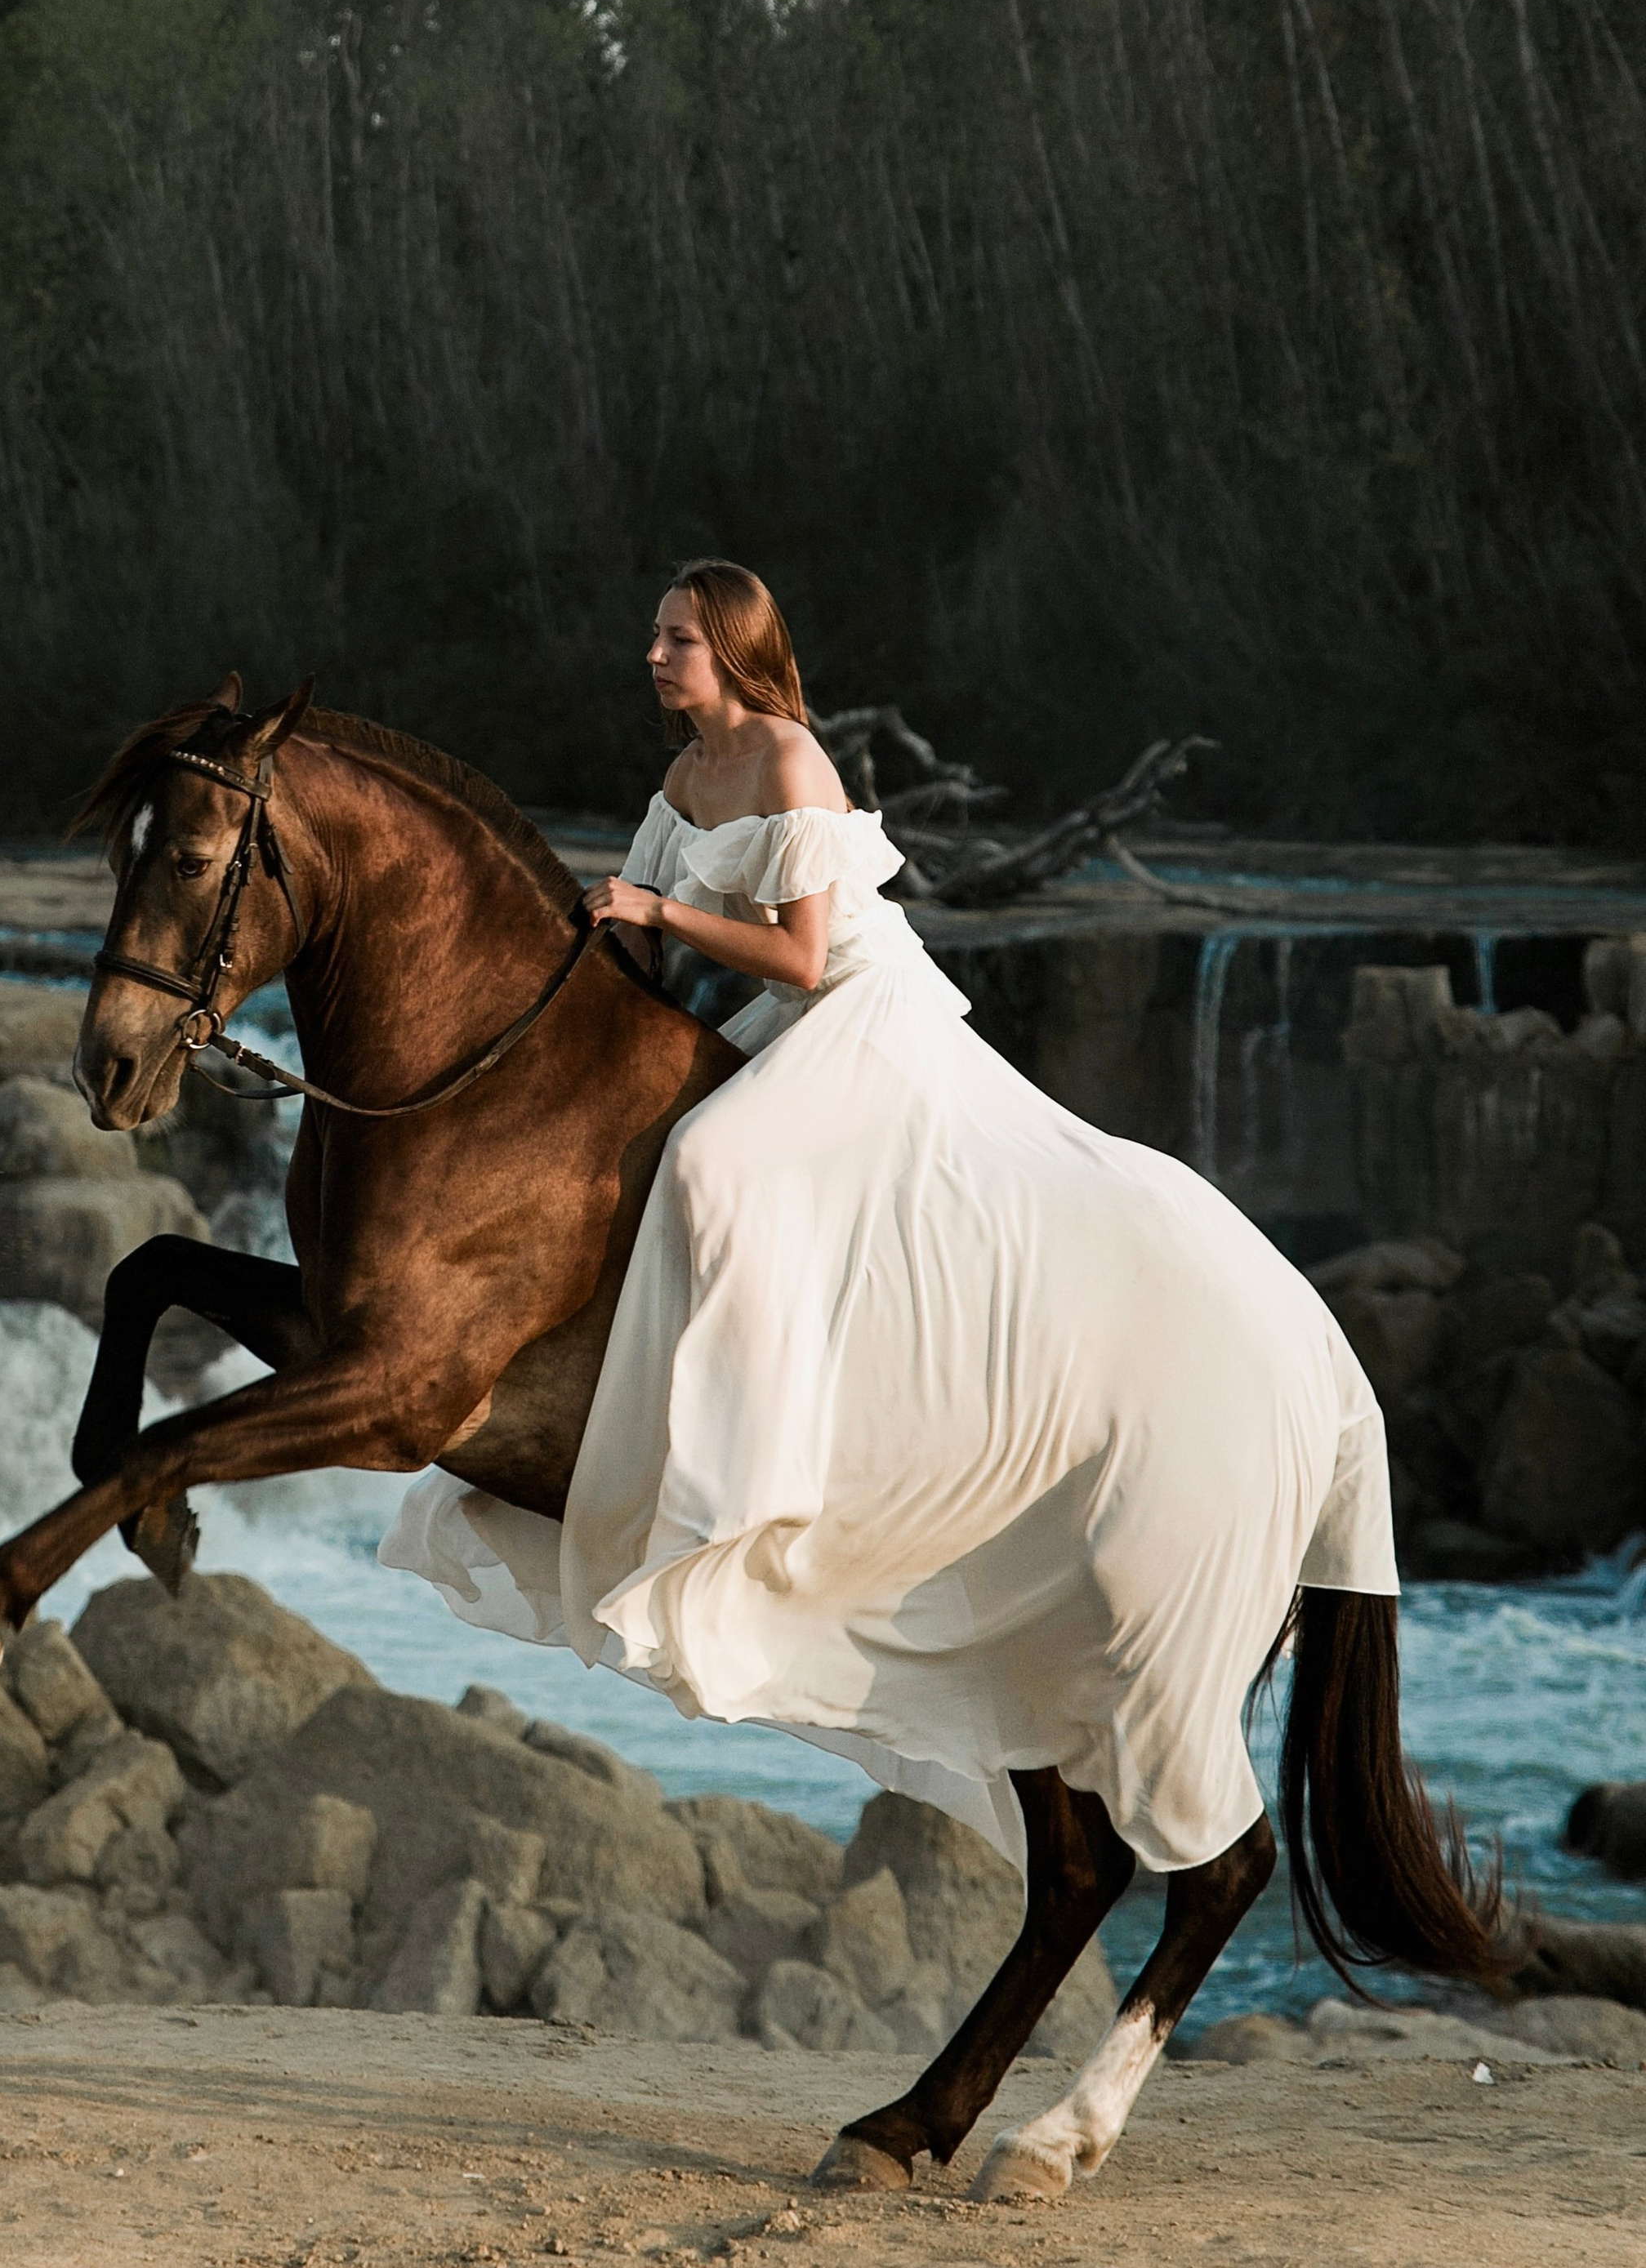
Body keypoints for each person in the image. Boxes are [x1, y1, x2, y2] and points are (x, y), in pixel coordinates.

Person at [380, 559, 1394, 1878]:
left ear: (734, 652)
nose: (653, 656)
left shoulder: (790, 762)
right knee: (643, 1148)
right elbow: (630, 947)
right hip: (772, 1006)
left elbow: (800, 955)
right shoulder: (685, 777)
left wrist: (662, 910)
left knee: (711, 1166)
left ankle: (735, 1466)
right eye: (654, 638)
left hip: (853, 1012)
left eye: (676, 639)